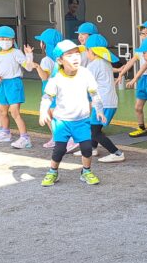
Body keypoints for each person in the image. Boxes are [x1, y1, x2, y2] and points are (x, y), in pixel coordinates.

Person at [38, 40, 105, 187]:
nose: (75, 57)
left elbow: (94, 93)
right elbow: (47, 97)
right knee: (59, 149)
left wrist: (99, 110)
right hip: (62, 121)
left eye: (77, 54)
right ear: (60, 60)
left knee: (87, 148)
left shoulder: (85, 73)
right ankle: (53, 172)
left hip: (82, 120)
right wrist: (43, 112)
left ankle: (86, 171)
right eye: (69, 55)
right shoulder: (56, 79)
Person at [0, 25, 36, 148]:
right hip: (2, 84)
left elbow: (29, 67)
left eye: (8, 39)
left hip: (14, 83)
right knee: (2, 111)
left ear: (13, 40)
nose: (5, 41)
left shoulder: (16, 53)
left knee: (14, 112)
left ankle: (25, 138)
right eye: (2, 38)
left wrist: (29, 55)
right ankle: (5, 133)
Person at [83, 34, 125, 163]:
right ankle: (92, 148)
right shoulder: (105, 62)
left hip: (102, 103)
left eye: (87, 50)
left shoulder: (93, 65)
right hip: (110, 102)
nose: (86, 53)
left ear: (92, 51)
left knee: (94, 131)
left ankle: (116, 153)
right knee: (95, 128)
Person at [120, 20, 147, 138]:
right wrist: (121, 74)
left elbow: (146, 65)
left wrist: (134, 79)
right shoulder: (141, 50)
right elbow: (131, 62)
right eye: (142, 34)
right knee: (138, 107)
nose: (144, 36)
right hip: (144, 80)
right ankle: (141, 128)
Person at [34, 28, 63, 149]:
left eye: (41, 41)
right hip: (59, 90)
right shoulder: (60, 58)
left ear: (44, 44)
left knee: (48, 115)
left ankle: (57, 138)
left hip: (49, 91)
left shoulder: (46, 60)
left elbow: (44, 76)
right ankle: (57, 138)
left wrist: (37, 67)